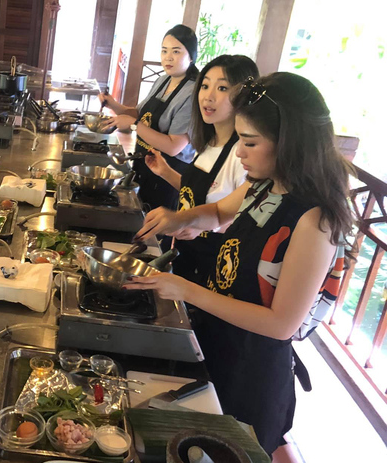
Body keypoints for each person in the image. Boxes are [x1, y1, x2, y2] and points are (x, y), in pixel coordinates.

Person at [126, 72, 351, 455]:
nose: (240, 153)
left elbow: (281, 324)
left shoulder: (315, 220)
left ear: (290, 144)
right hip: (216, 344)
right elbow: (217, 213)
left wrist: (187, 290)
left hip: (252, 373)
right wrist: (179, 218)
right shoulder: (265, 182)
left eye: (249, 142)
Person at [144, 55, 258, 284]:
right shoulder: (208, 143)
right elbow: (201, 195)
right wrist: (165, 172)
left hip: (213, 267)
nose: (208, 96)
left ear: (245, 96)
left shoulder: (243, 155)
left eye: (222, 87)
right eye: (205, 85)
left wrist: (201, 226)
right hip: (184, 256)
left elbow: (244, 220)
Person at [99, 24, 199, 211]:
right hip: (144, 163)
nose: (168, 57)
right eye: (164, 51)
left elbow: (173, 146)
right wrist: (112, 104)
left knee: (155, 234)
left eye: (176, 52)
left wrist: (134, 125)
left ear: (191, 56)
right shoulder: (162, 80)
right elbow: (140, 114)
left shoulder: (192, 93)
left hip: (169, 174)